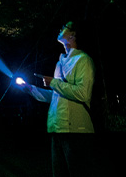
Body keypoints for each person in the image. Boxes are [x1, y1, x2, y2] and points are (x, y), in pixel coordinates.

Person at [22, 21, 96, 176]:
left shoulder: (83, 60)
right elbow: (57, 96)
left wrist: (54, 82)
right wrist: (30, 89)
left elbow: (83, 93)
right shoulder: (59, 62)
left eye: (65, 27)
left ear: (73, 35)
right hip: (58, 129)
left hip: (76, 131)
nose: (61, 28)